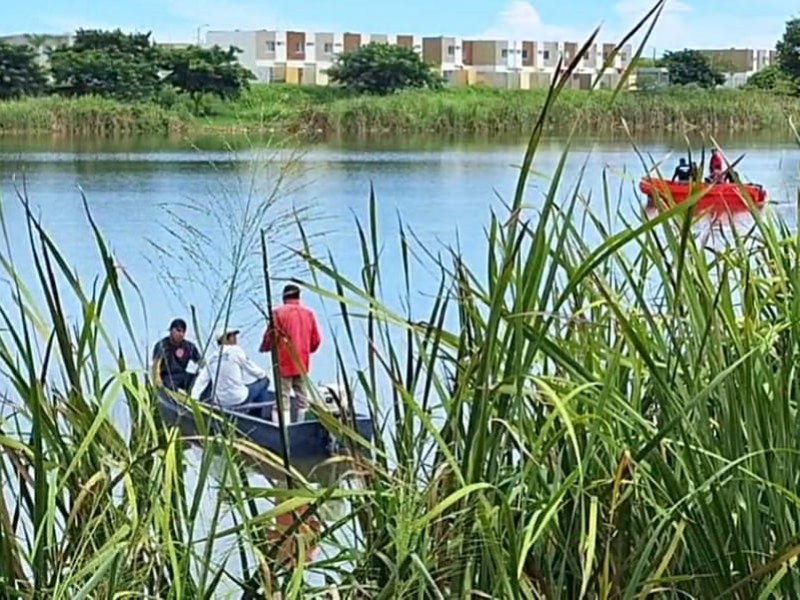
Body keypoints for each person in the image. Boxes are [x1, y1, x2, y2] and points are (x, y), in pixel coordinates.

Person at [259, 283, 322, 412]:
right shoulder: (309, 314)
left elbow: (271, 336)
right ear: (299, 297)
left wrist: (264, 347)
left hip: (284, 362)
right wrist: (305, 350)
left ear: (284, 298)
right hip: (302, 362)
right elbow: (316, 340)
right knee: (302, 398)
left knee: (283, 398)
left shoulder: (278, 313)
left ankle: (283, 429)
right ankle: (301, 428)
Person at [190, 327, 270, 416]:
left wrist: (194, 398)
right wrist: (264, 374)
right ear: (225, 339)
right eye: (232, 336)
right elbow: (252, 369)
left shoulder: (212, 358)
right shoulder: (235, 351)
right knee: (264, 381)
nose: (235, 338)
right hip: (238, 399)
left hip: (219, 401)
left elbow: (201, 380)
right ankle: (256, 416)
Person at [152, 318, 203, 391]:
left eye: (183, 332)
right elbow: (156, 366)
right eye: (178, 330)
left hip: (182, 376)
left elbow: (201, 362)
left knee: (198, 380)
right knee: (169, 384)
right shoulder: (161, 345)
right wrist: (157, 381)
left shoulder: (189, 347)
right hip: (167, 378)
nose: (181, 334)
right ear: (171, 330)